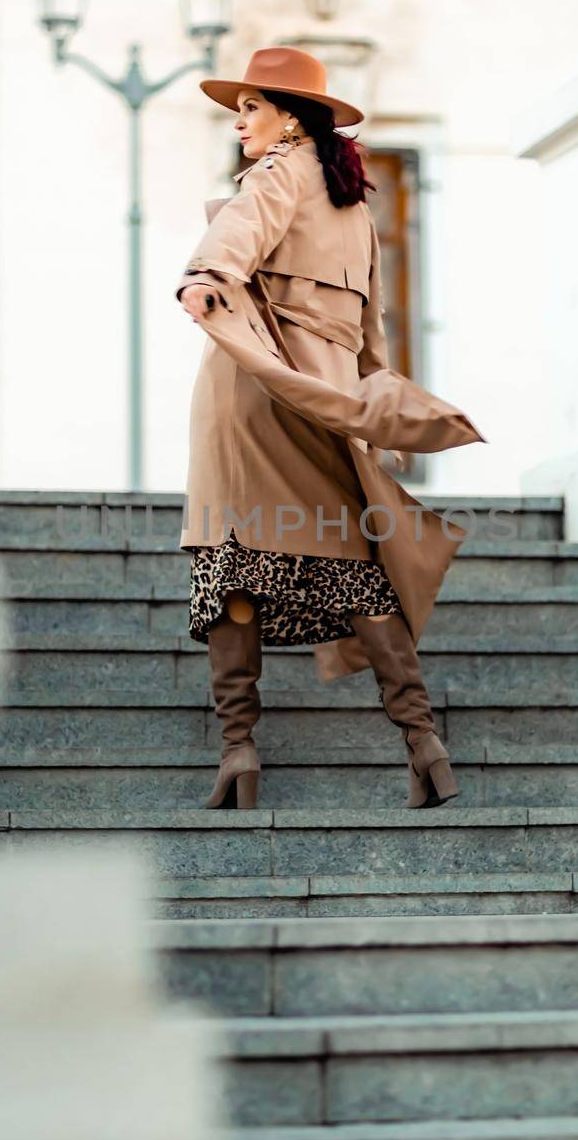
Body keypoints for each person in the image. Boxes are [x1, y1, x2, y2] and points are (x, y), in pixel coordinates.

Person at [175, 46, 485, 813]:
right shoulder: (356, 205)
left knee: (232, 564)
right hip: (327, 400)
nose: (239, 121)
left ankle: (238, 751)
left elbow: (237, 236)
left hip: (252, 393)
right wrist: (368, 416)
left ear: (288, 117)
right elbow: (372, 334)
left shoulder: (277, 173)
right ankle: (422, 743)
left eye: (250, 106)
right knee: (354, 568)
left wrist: (204, 279)